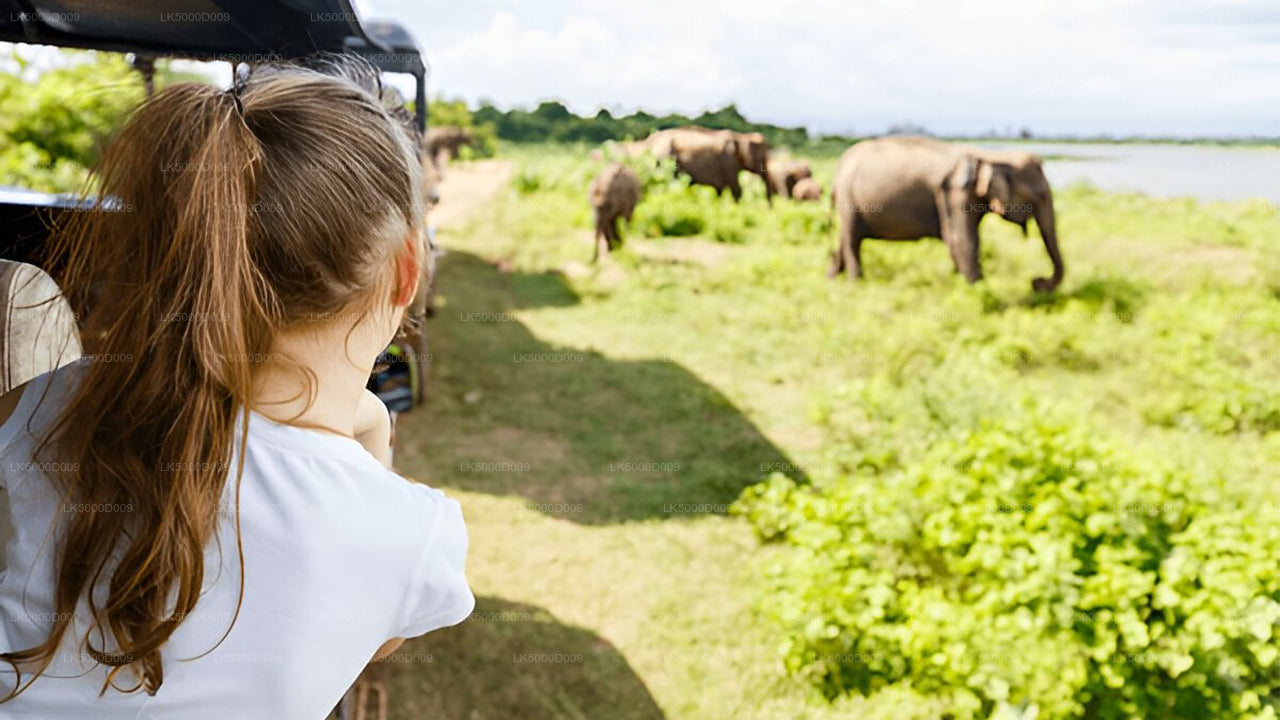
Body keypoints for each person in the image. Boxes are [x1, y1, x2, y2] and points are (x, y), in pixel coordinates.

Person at [0, 57, 473, 718]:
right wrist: (372, 432)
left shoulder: (39, 407)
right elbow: (374, 639)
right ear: (406, 271)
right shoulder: (415, 538)